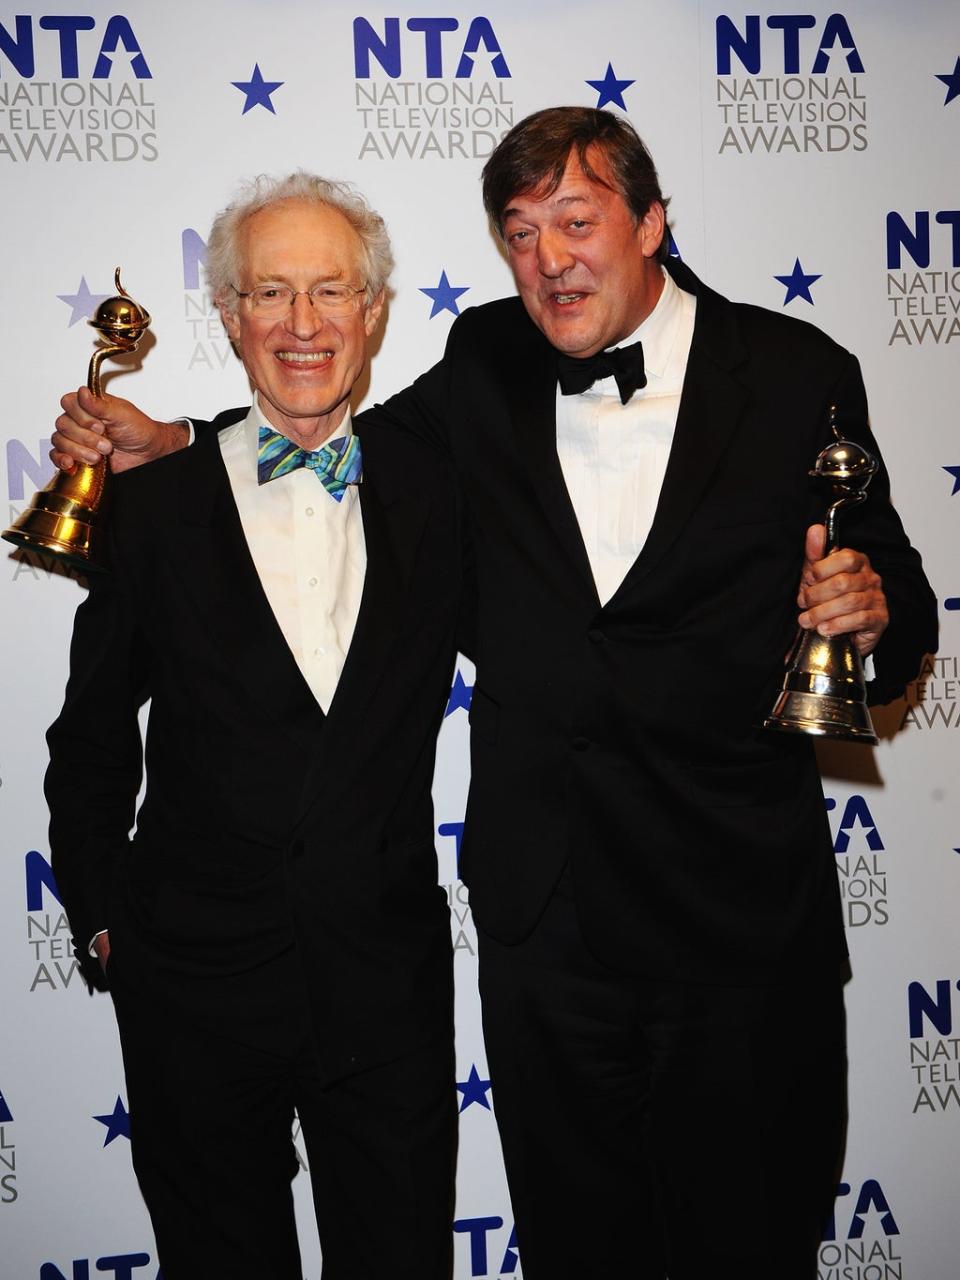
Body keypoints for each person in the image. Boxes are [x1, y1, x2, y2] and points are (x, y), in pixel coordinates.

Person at [51, 109, 937, 1279]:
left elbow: (900, 595)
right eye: (520, 232)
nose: (550, 258)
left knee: (752, 1243)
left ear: (654, 222)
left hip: (736, 934)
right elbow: (319, 436)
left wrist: (873, 608)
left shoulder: (793, 373)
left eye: (578, 220)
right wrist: (178, 443)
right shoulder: (484, 362)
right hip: (547, 939)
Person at [45, 174, 464, 1280]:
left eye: (331, 291)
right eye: (269, 293)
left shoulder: (442, 490)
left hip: (385, 986)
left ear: (375, 311)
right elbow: (88, 738)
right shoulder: (151, 508)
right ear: (227, 316)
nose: (304, 324)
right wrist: (104, 921)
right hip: (190, 987)